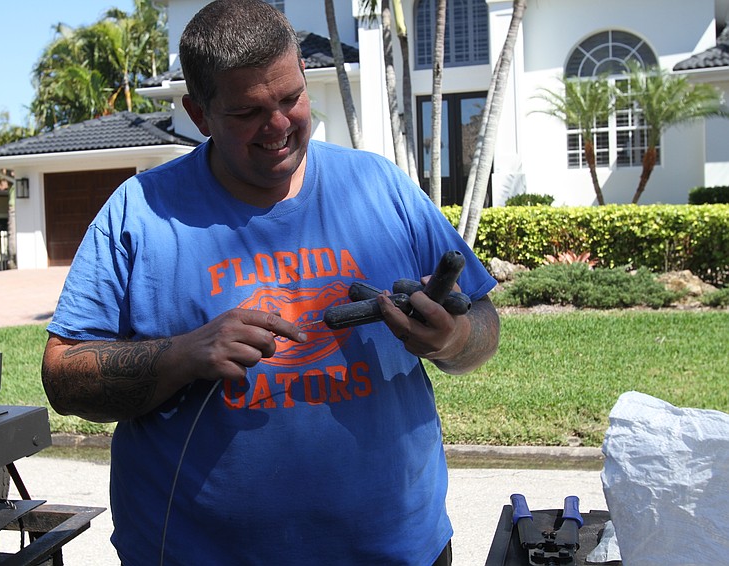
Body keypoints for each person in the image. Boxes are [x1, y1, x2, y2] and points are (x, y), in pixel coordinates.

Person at [41, 1, 500, 564]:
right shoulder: (140, 212)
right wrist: (184, 354)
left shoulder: (379, 186)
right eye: (247, 112)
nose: (279, 126)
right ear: (198, 113)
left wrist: (453, 340)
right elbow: (63, 377)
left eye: (290, 98)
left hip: (397, 551)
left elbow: (483, 325)